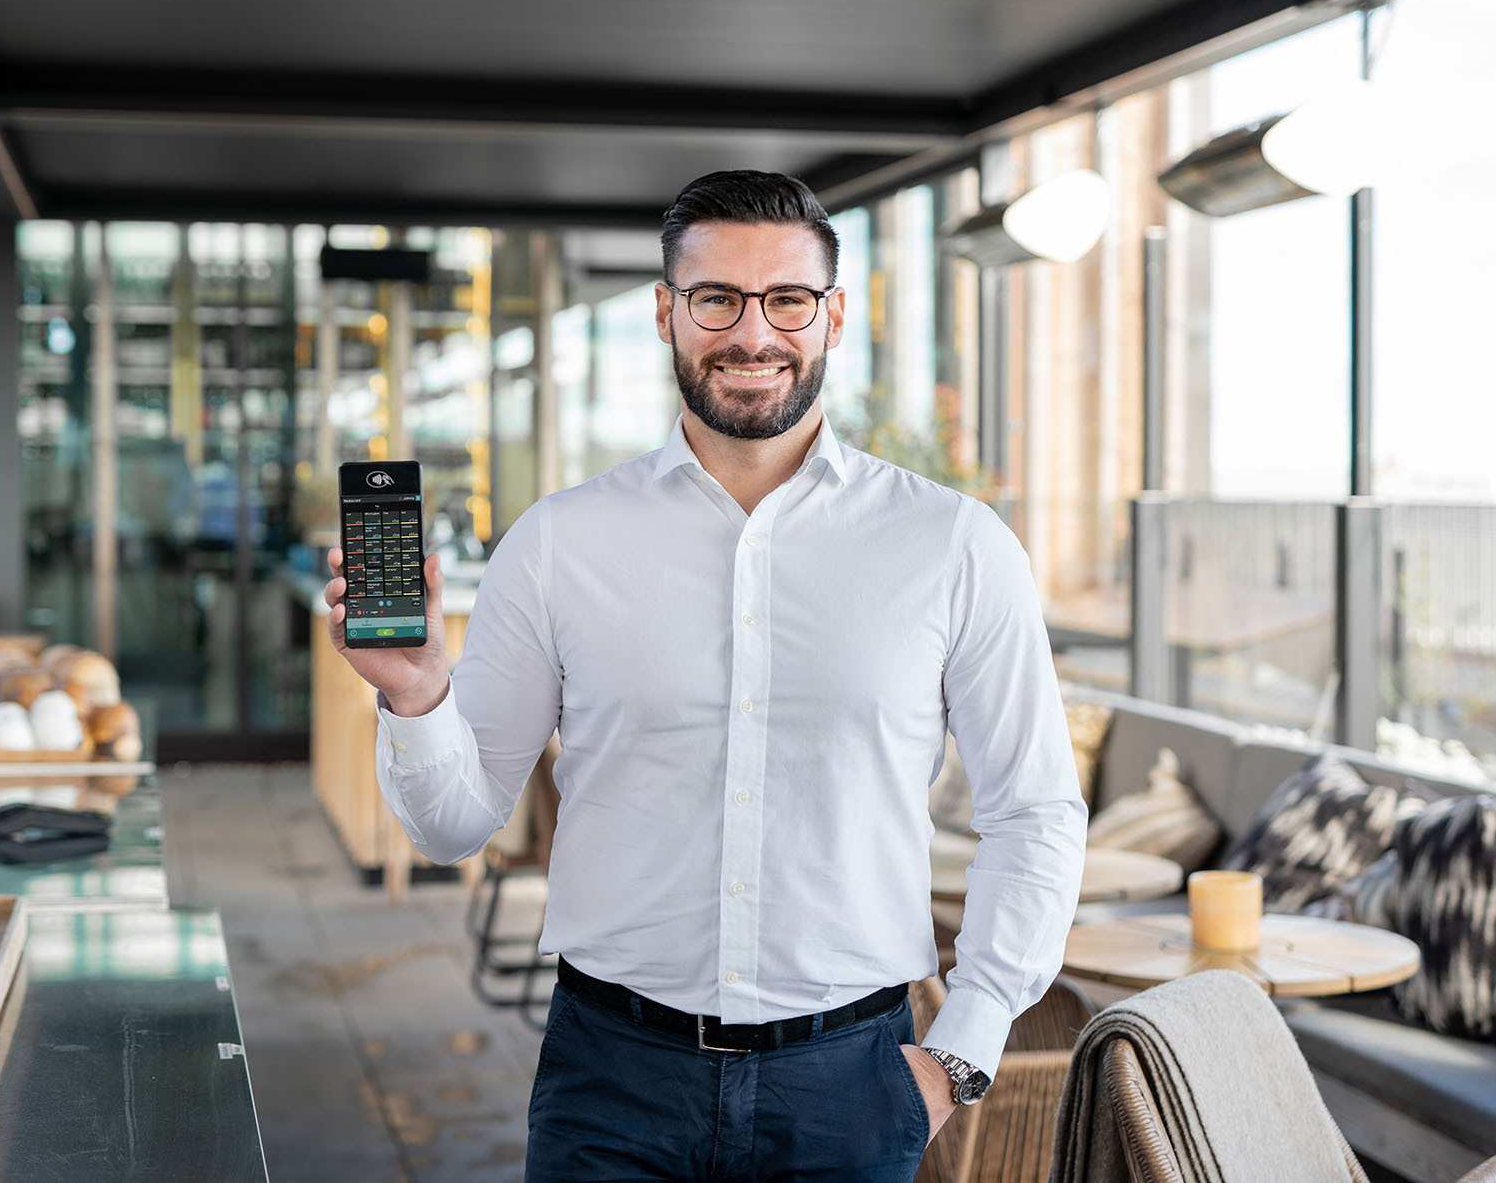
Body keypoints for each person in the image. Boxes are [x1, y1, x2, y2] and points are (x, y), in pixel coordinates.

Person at [326, 170, 1085, 1181]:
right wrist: (416, 694)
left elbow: (1033, 812)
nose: (752, 334)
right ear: (665, 312)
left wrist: (959, 1055)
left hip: (848, 1089)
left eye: (786, 300)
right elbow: (451, 823)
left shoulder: (953, 546)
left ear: (833, 314)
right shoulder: (559, 542)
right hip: (611, 1083)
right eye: (716, 298)